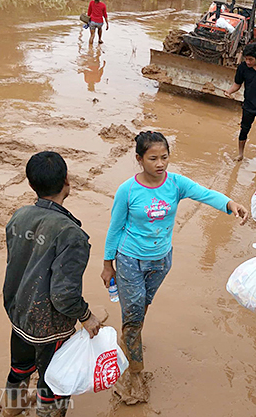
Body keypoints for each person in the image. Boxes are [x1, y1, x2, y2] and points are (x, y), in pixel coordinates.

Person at [101, 131, 248, 405]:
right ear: (139, 159)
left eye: (164, 157)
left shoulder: (176, 184)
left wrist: (231, 204)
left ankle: (130, 340)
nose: (160, 164)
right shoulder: (128, 190)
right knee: (133, 316)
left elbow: (204, 194)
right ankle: (135, 373)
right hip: (129, 259)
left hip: (161, 260)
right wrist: (107, 264)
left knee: (141, 306)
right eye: (153, 158)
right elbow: (115, 228)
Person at [2, 151, 101, 417]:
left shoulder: (19, 216)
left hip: (18, 312)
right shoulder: (72, 234)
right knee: (54, 383)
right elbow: (64, 295)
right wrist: (87, 316)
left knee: (19, 368)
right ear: (67, 180)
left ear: (31, 183)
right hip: (48, 325)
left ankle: (11, 409)